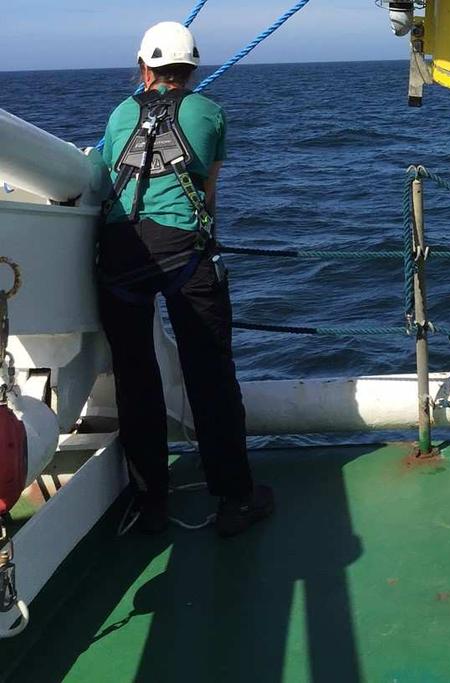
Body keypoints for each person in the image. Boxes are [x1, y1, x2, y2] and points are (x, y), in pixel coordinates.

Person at [98, 22, 273, 538]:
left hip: (121, 253)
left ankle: (150, 505)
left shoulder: (120, 113)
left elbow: (109, 172)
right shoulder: (209, 112)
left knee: (135, 379)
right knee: (210, 374)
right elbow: (208, 193)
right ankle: (235, 500)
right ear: (191, 69)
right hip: (184, 255)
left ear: (144, 68)